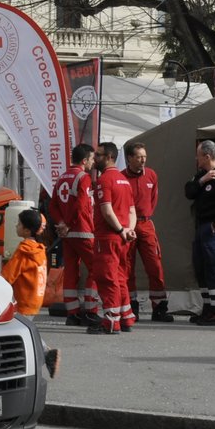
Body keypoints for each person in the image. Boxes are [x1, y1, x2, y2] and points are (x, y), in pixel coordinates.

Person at [2, 208, 59, 377]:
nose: (16, 226)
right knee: (24, 330)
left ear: (26, 230)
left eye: (18, 223)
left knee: (17, 332)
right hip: (36, 297)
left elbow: (8, 275)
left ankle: (36, 359)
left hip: (24, 299)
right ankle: (45, 356)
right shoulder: (39, 249)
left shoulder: (24, 251)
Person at [185, 138, 215, 325]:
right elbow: (189, 192)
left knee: (213, 268)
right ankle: (207, 309)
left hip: (213, 228)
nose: (196, 159)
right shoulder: (201, 174)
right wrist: (202, 180)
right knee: (201, 268)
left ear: (207, 156)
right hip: (201, 227)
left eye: (199, 156)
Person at [123, 141, 174, 322]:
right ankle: (131, 306)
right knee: (127, 268)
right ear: (129, 158)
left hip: (145, 224)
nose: (143, 160)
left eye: (144, 156)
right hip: (128, 226)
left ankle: (159, 307)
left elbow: (153, 201)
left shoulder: (151, 175)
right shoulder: (121, 178)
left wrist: (144, 216)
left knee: (155, 266)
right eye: (139, 157)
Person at [89, 141, 136, 334]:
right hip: (123, 237)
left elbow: (107, 211)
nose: (95, 159)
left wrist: (119, 230)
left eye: (98, 155)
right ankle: (126, 318)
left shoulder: (105, 180)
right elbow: (132, 210)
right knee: (120, 277)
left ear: (109, 157)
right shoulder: (124, 180)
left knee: (106, 278)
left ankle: (110, 321)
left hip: (108, 237)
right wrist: (128, 230)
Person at [51, 143, 99, 325]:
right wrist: (69, 224)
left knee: (71, 271)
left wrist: (62, 224)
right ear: (85, 160)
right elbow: (81, 205)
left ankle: (72, 314)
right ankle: (91, 310)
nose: (93, 163)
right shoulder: (83, 178)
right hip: (82, 231)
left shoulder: (62, 177)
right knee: (96, 268)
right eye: (92, 159)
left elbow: (53, 205)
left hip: (67, 235)